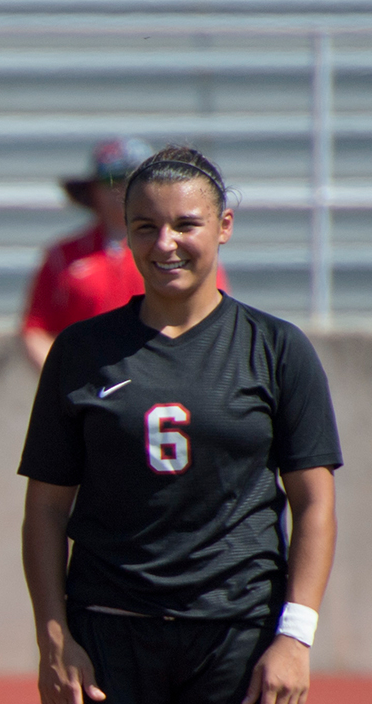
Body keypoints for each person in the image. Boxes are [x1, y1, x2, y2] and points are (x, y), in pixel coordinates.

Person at [19, 146, 340, 704]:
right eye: (145, 226)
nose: (165, 244)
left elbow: (314, 502)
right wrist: (54, 639)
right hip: (107, 634)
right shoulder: (80, 352)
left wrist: (295, 636)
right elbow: (45, 510)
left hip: (238, 635)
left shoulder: (277, 348)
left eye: (185, 224)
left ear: (224, 228)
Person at [20, 137, 228, 370]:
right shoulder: (63, 255)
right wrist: (68, 376)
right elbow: (36, 330)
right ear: (93, 190)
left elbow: (211, 317)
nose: (119, 191)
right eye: (111, 181)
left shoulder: (179, 251)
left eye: (131, 181)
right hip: (91, 384)